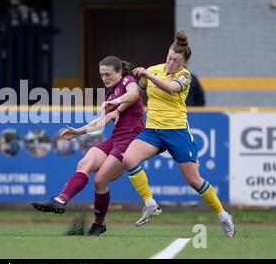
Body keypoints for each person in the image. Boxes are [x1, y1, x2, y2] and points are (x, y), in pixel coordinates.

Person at [104, 31, 236, 237]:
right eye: (169, 57)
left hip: (176, 132)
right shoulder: (154, 70)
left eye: (176, 60)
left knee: (194, 180)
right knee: (129, 159)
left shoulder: (184, 75)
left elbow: (172, 89)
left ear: (184, 62)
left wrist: (148, 76)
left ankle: (224, 216)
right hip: (154, 131)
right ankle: (150, 204)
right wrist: (118, 107)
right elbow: (135, 94)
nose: (170, 62)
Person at [31, 56, 146, 236]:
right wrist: (78, 132)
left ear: (119, 72)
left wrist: (115, 104)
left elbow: (134, 94)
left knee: (100, 181)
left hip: (131, 142)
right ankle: (60, 200)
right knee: (84, 164)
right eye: (101, 75)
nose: (104, 78)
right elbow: (100, 123)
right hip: (115, 139)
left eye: (108, 74)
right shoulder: (110, 94)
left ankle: (99, 223)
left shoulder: (127, 81)